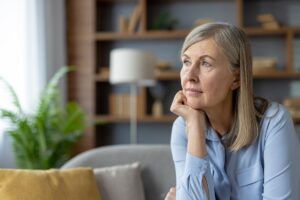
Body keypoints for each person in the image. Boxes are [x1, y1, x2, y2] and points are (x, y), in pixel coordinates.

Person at [165, 22, 300, 200]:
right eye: (186, 61)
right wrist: (196, 127)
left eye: (206, 63)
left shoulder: (274, 122)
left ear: (236, 78)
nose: (189, 76)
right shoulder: (183, 128)